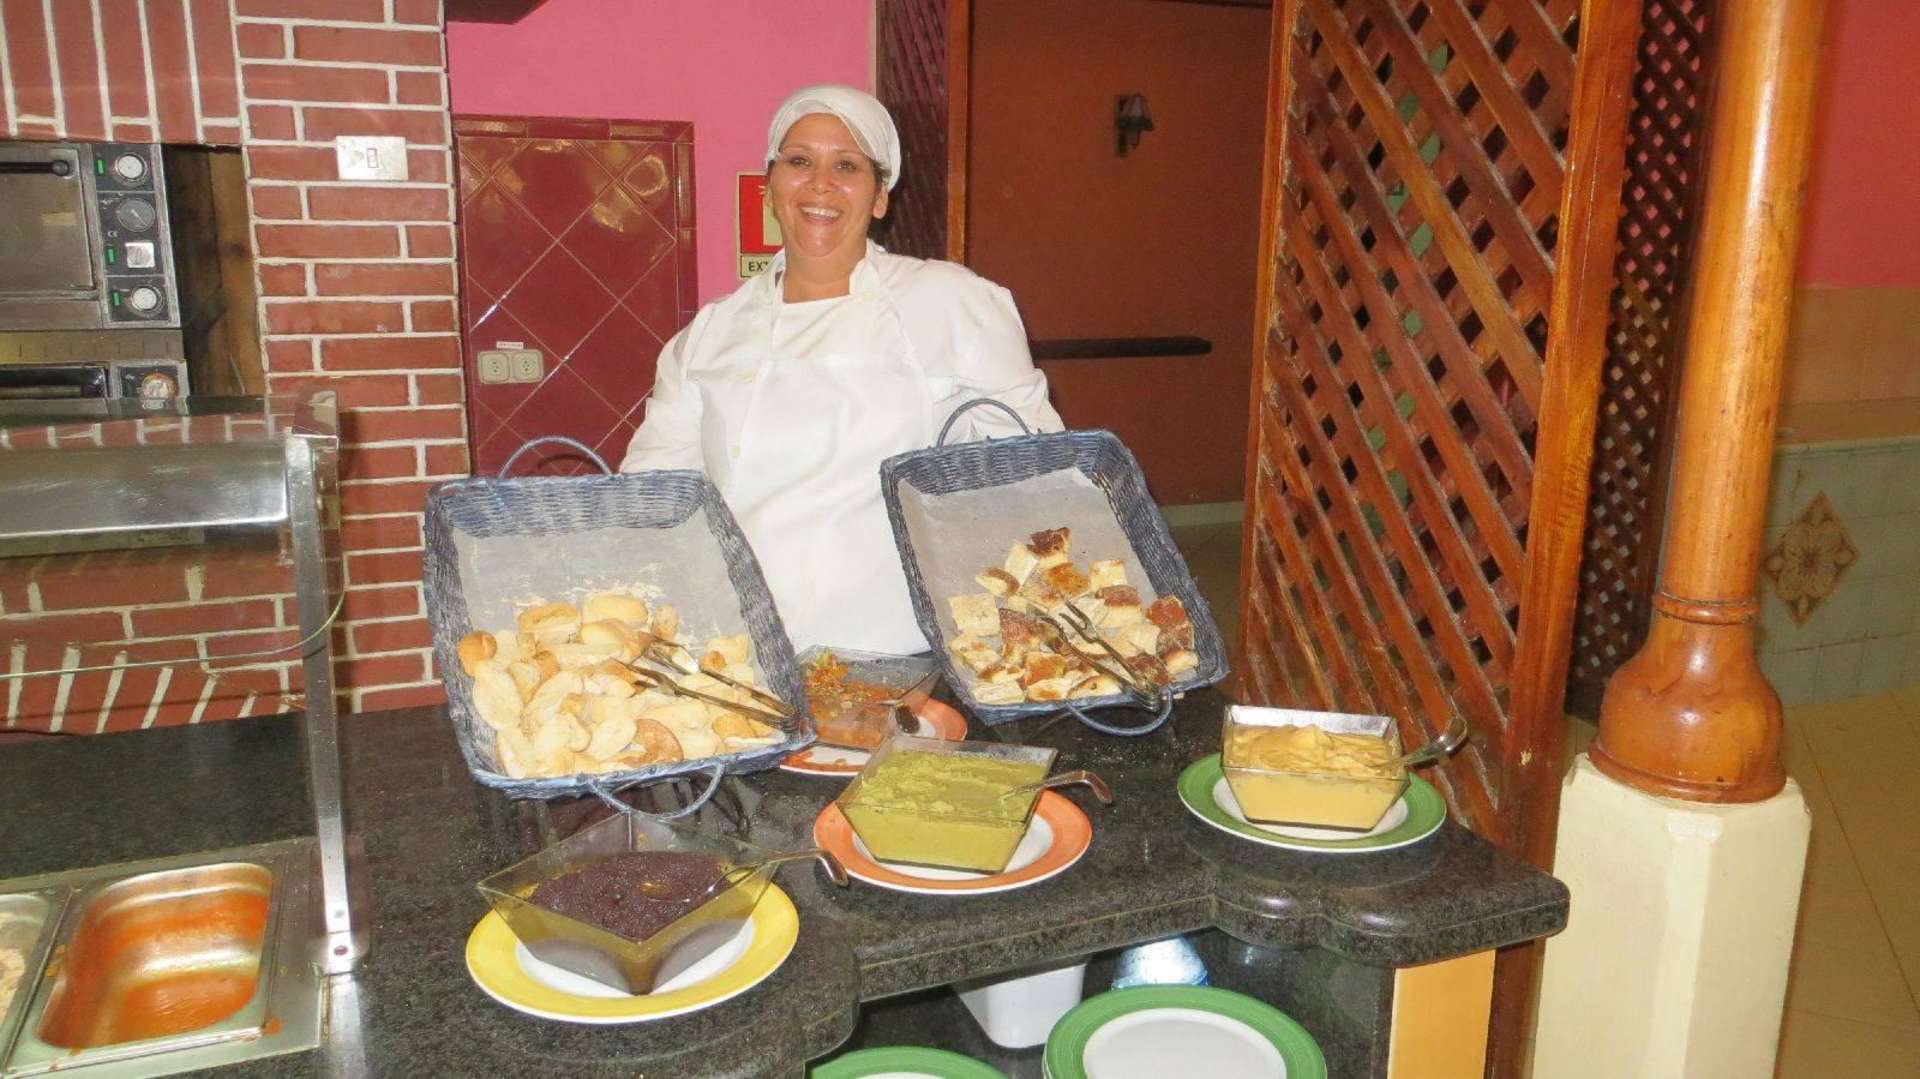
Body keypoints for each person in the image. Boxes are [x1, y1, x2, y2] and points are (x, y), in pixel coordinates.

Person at [621, 85, 1063, 654]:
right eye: (799, 161)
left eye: (847, 166)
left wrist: (1000, 640)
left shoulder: (952, 303)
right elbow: (652, 497)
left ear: (880, 197)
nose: (820, 183)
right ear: (770, 187)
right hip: (744, 652)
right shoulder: (710, 334)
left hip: (906, 652)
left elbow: (1040, 475)